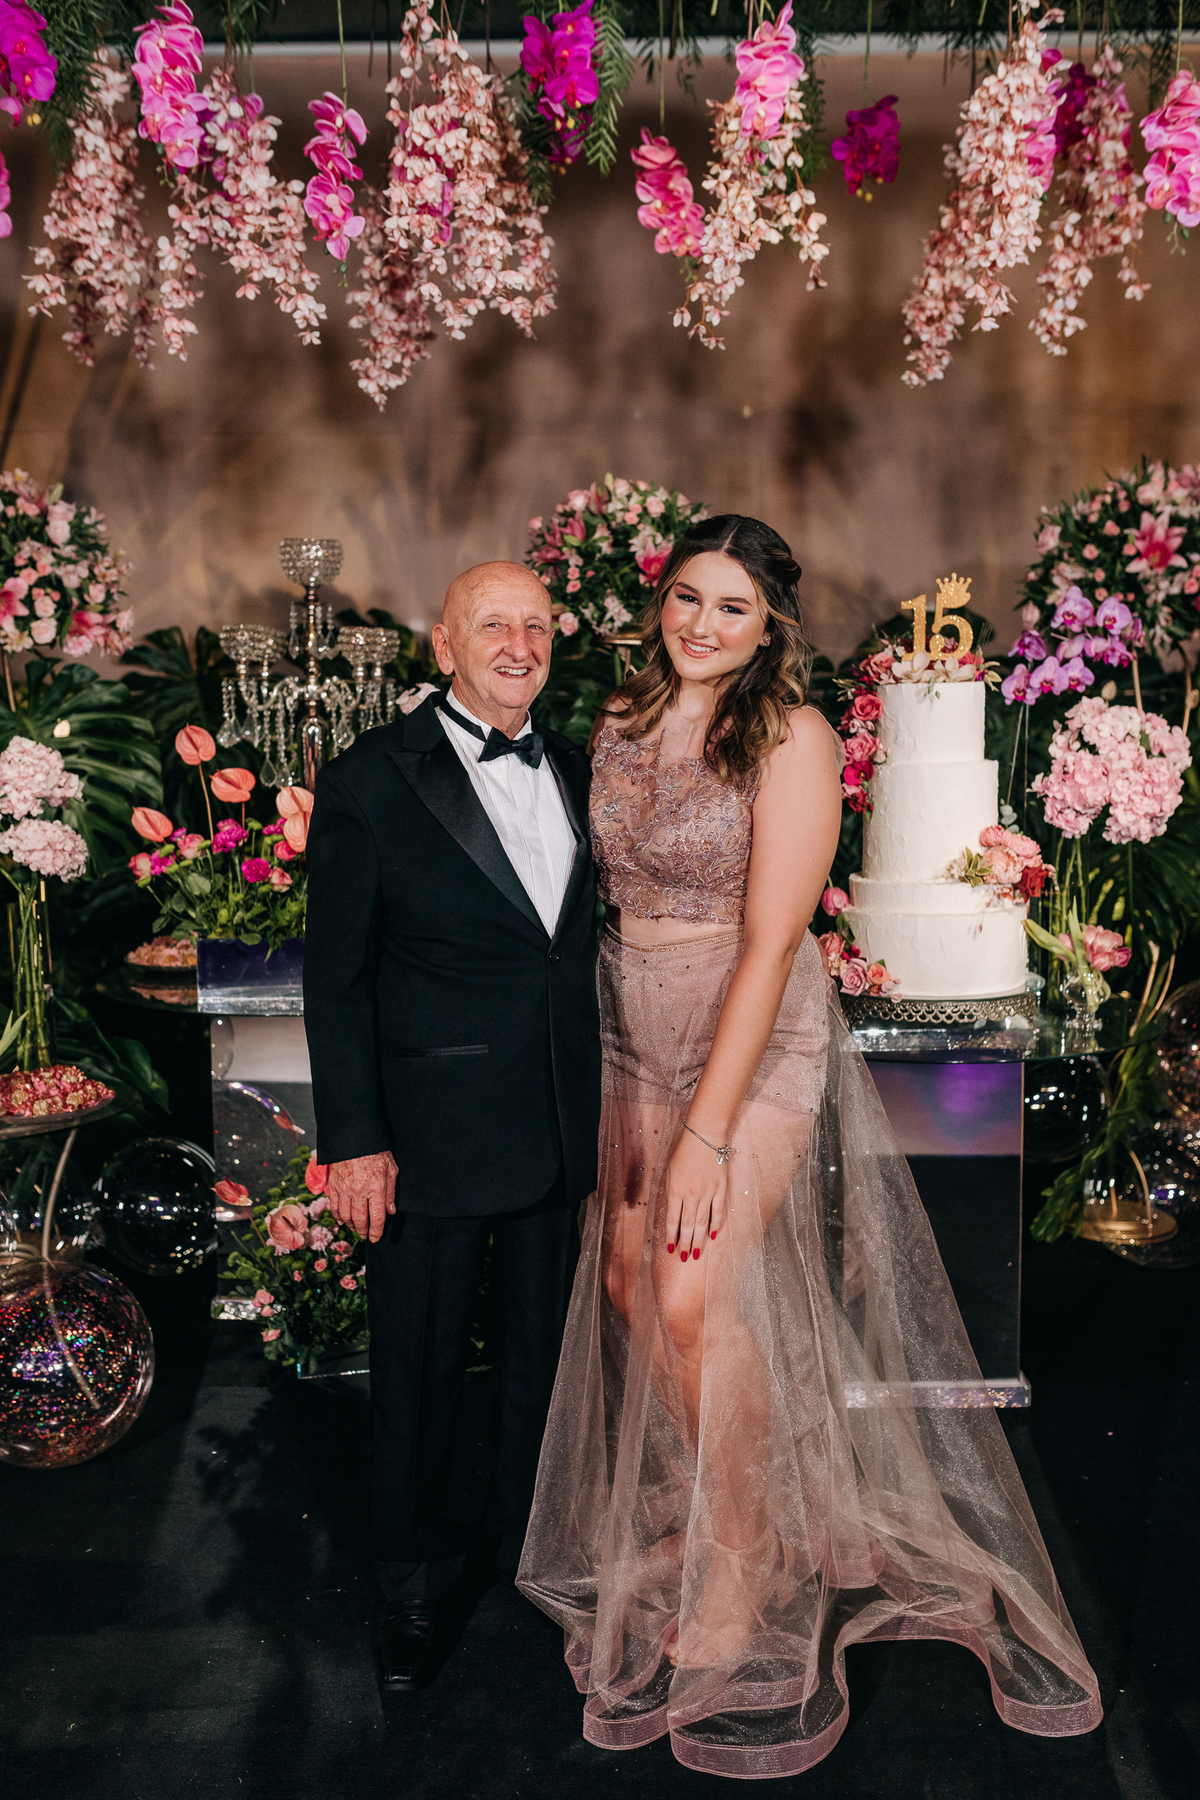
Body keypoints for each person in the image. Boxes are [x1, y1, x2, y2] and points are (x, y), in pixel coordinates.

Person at [516, 516, 1102, 1777]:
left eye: (731, 607)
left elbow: (773, 942)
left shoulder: (792, 738)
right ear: (660, 601)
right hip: (626, 1029)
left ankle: (748, 1556)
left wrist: (706, 1135)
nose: (701, 624)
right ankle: (739, 1499)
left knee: (691, 1299)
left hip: (748, 1038)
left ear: (770, 624)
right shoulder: (617, 718)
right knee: (623, 1286)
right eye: (687, 596)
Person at [303, 561, 600, 1691]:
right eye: (493, 625)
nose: (518, 645)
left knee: (543, 1366)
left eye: (537, 626)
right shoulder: (371, 777)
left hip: (561, 1120)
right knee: (419, 1369)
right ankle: (414, 1583)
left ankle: (534, 1559)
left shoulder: (576, 769)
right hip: (426, 1133)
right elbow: (336, 983)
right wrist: (354, 1140)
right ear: (443, 646)